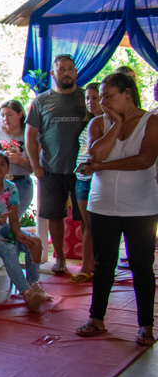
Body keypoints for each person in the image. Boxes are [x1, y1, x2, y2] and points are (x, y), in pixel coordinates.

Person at [75, 72, 158, 346]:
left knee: (141, 266)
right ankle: (96, 318)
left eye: (108, 96)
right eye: (101, 97)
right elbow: (95, 155)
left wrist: (101, 168)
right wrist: (116, 123)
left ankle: (146, 325)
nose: (103, 102)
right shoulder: (99, 123)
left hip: (141, 207)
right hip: (103, 206)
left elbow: (144, 160)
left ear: (127, 94)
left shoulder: (152, 122)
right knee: (104, 263)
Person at [25, 54, 88, 275]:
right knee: (54, 216)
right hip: (50, 170)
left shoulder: (86, 98)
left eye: (71, 69)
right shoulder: (41, 101)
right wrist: (36, 166)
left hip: (82, 171)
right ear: (53, 73)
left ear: (76, 72)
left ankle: (88, 262)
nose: (67, 73)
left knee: (86, 217)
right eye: (62, 69)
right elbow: (30, 135)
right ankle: (59, 258)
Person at [0, 152, 50, 311]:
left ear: (8, 168)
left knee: (33, 242)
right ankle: (26, 292)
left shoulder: (11, 188)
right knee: (9, 249)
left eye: (2, 164)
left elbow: (13, 221)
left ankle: (33, 284)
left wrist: (21, 236)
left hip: (1, 228)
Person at [70, 83, 101, 283]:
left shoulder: (110, 124)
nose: (91, 102)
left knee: (97, 224)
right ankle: (87, 264)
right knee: (86, 223)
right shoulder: (87, 124)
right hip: (81, 178)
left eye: (95, 97)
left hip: (98, 178)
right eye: (88, 98)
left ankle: (95, 264)